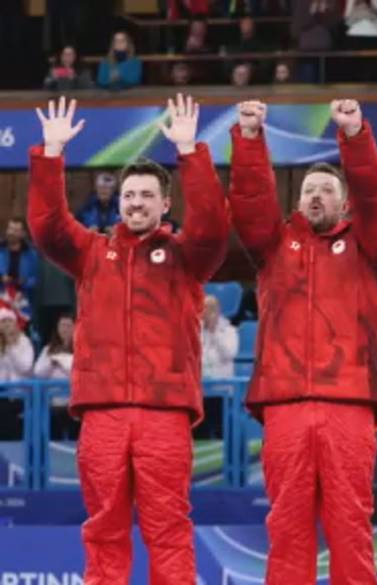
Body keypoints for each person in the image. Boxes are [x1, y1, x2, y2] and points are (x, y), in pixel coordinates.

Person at [28, 94, 230, 583]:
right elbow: (49, 227)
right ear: (119, 203)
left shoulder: (186, 258)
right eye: (128, 196)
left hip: (164, 414)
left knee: (168, 530)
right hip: (102, 413)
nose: (135, 203)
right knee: (104, 531)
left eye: (146, 196)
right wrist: (51, 155)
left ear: (164, 204)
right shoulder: (93, 253)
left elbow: (213, 228)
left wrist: (190, 153)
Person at [229, 97, 377, 583]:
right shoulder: (274, 247)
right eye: (309, 191)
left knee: (350, 529)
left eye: (327, 190)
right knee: (287, 532)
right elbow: (249, 202)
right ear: (297, 201)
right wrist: (247, 139)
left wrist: (354, 137)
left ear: (345, 204)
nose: (317, 197)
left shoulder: (371, 248)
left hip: (348, 404)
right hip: (285, 406)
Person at [34, 313, 77, 440]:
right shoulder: (48, 349)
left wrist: (62, 362)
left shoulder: (81, 349)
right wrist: (51, 362)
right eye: (62, 325)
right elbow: (38, 372)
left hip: (74, 405)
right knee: (53, 438)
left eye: (69, 325)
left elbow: (80, 374)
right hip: (52, 404)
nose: (65, 329)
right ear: (57, 328)